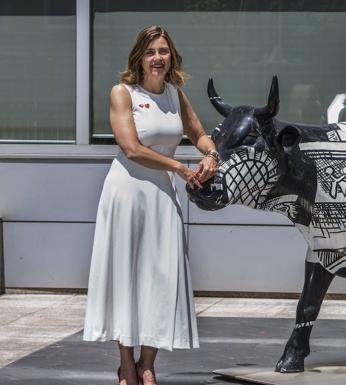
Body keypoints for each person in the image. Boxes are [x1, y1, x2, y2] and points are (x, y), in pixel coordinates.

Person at [83, 25, 218, 385]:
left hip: (162, 196)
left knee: (162, 278)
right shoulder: (122, 93)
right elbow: (131, 148)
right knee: (126, 276)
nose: (157, 58)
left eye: (163, 51)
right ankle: (127, 365)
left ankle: (148, 363)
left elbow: (199, 134)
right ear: (138, 58)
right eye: (150, 52)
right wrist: (179, 167)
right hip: (126, 194)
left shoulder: (175, 94)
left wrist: (211, 155)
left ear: (171, 55)